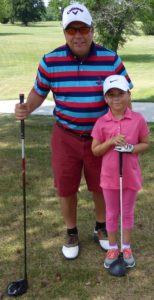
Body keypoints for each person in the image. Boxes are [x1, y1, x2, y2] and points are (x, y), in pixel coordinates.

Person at [15, 2, 133, 260]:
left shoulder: (111, 59)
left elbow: (125, 94)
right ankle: (71, 232)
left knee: (103, 186)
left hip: (101, 136)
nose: (78, 35)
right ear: (64, 33)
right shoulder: (50, 61)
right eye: (71, 30)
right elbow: (39, 92)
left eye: (83, 29)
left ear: (92, 30)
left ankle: (101, 228)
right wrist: (27, 108)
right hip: (65, 135)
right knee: (66, 187)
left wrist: (128, 125)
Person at [91, 74, 150, 268]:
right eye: (112, 95)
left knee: (127, 212)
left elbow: (146, 143)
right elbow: (95, 150)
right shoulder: (102, 122)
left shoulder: (138, 119)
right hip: (109, 177)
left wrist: (131, 148)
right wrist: (110, 141)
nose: (117, 98)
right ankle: (112, 247)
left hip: (130, 175)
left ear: (128, 95)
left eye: (121, 94)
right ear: (106, 98)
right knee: (111, 213)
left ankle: (126, 246)